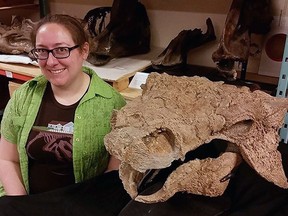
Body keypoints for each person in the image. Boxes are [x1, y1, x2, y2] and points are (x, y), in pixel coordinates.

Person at [0, 14, 126, 196]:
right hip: (27, 202)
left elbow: (112, 175)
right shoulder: (23, 96)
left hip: (83, 205)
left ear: (84, 50)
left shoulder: (113, 104)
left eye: (61, 50)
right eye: (42, 51)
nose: (51, 61)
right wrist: (21, 204)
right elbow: (7, 159)